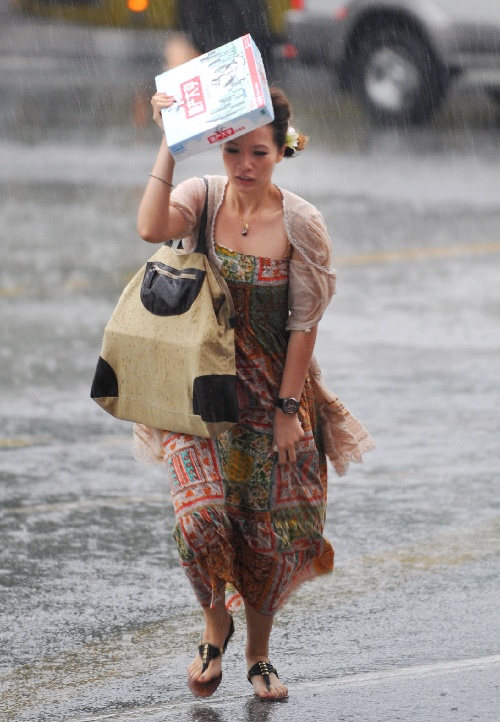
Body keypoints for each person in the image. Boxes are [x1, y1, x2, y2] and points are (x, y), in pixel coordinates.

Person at [136, 87, 374, 700]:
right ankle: (215, 617)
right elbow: (149, 226)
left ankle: (259, 656)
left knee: (263, 536)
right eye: (233, 150)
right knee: (200, 523)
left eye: (259, 153)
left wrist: (289, 411)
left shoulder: (301, 222)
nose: (244, 165)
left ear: (281, 152)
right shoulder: (202, 196)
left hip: (272, 398)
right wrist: (169, 142)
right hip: (198, 398)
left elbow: (304, 323)